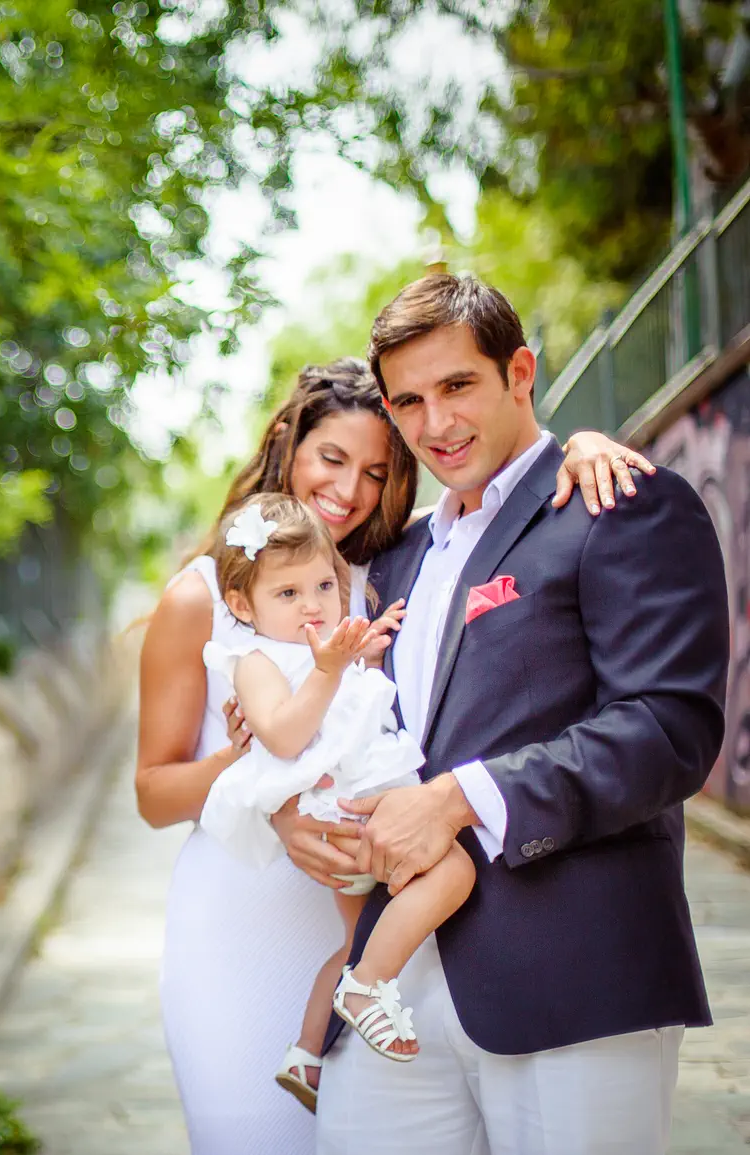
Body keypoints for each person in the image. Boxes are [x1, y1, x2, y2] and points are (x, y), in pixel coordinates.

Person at [138, 355, 655, 1155]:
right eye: (331, 459)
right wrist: (268, 792)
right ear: (287, 443)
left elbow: (500, 506)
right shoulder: (203, 596)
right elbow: (152, 791)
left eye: (376, 473)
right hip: (243, 913)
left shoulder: (394, 569)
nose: (348, 491)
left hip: (373, 912)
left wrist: (581, 444)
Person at [314, 273, 730, 1154]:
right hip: (397, 974)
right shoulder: (397, 554)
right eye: (410, 402)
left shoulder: (615, 504)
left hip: (573, 970)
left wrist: (461, 797)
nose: (436, 425)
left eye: (458, 385)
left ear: (520, 372)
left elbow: (668, 729)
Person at [200, 493, 473, 1112]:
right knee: (452, 870)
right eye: (288, 594)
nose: (312, 605)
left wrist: (360, 656)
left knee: (356, 942)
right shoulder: (254, 661)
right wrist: (329, 669)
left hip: (347, 804)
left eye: (323, 585)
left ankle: (307, 1051)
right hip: (343, 809)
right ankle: (369, 988)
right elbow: (287, 735)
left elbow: (345, 702)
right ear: (243, 605)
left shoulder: (317, 649)